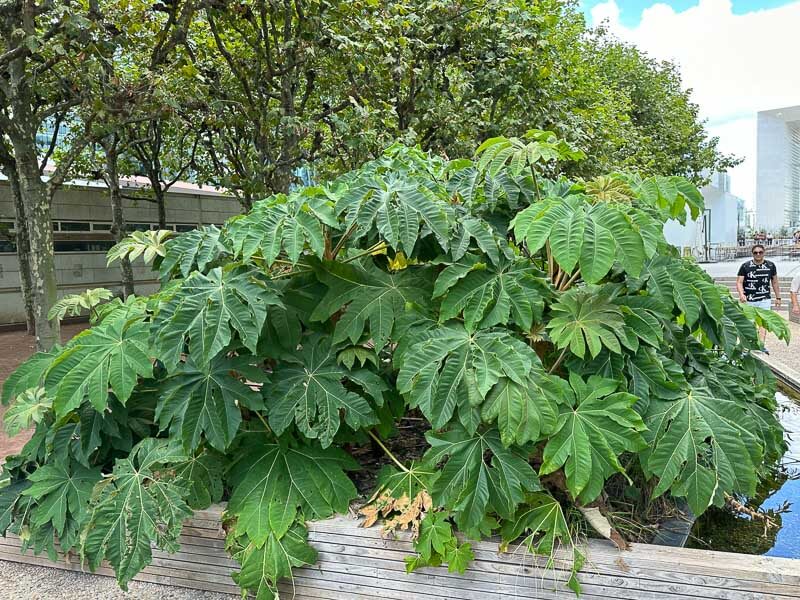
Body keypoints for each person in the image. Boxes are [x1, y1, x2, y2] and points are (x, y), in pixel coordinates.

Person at [737, 244, 782, 351]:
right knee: (749, 323)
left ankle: (760, 345)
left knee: (763, 322)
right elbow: (739, 282)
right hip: (749, 299)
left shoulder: (770, 266)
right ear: (752, 254)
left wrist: (778, 297)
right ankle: (748, 345)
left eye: (760, 252)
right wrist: (741, 294)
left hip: (764, 298)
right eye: (755, 252)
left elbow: (774, 282)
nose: (758, 254)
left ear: (764, 253)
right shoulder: (745, 266)